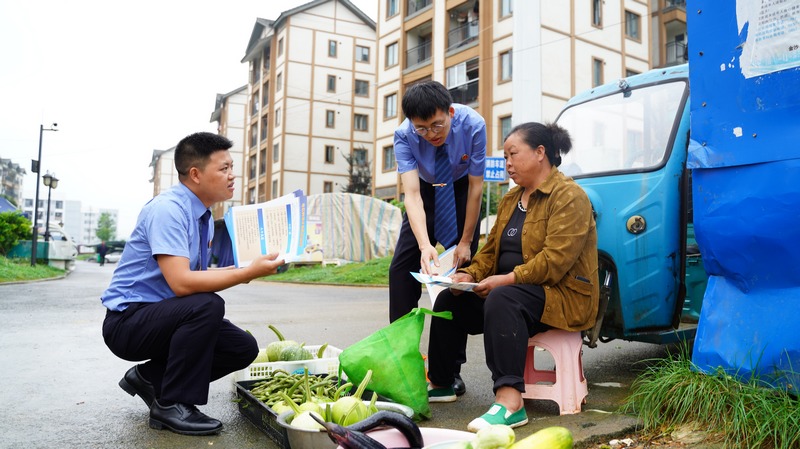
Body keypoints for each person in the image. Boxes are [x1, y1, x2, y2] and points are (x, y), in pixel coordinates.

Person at [100, 132, 285, 436]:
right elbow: (183, 283)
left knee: (242, 347)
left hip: (160, 315)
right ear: (196, 174)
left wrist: (246, 267)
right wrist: (245, 273)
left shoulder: (203, 216)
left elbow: (192, 278)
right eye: (224, 168)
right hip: (128, 323)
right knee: (206, 305)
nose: (232, 175)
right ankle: (172, 405)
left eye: (232, 167)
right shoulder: (169, 209)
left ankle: (150, 378)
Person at [425, 122, 599, 433]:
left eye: (512, 155)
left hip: (561, 298)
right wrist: (468, 275)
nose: (507, 164)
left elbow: (554, 262)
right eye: (505, 157)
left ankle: (510, 402)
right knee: (450, 298)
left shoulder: (570, 196)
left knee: (503, 297)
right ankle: (442, 382)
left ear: (540, 153)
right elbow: (490, 252)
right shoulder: (510, 200)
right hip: (517, 297)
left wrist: (504, 281)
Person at [389, 80, 486, 396]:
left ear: (450, 112)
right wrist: (423, 245)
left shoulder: (473, 125)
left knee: (460, 278)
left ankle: (449, 371)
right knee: (401, 272)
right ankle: (402, 361)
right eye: (422, 129)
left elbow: (475, 188)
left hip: (460, 190)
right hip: (426, 194)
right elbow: (412, 195)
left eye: (437, 125)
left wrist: (466, 241)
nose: (431, 134)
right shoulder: (405, 135)